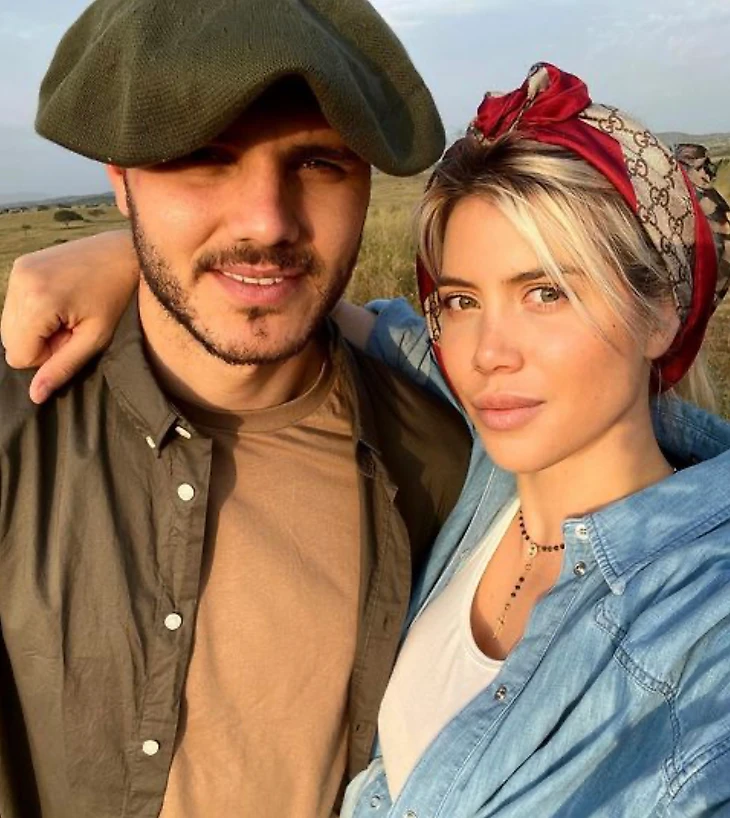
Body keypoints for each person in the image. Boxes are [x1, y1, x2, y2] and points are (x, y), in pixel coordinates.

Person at [8, 63, 730, 817]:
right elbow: (313, 305)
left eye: (546, 292)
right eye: (462, 299)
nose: (489, 353)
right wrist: (139, 249)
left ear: (662, 312)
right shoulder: (488, 473)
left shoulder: (703, 627)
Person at [0, 2, 472, 817]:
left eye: (319, 162)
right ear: (119, 180)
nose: (267, 222)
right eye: (201, 157)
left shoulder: (442, 462)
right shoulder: (18, 434)